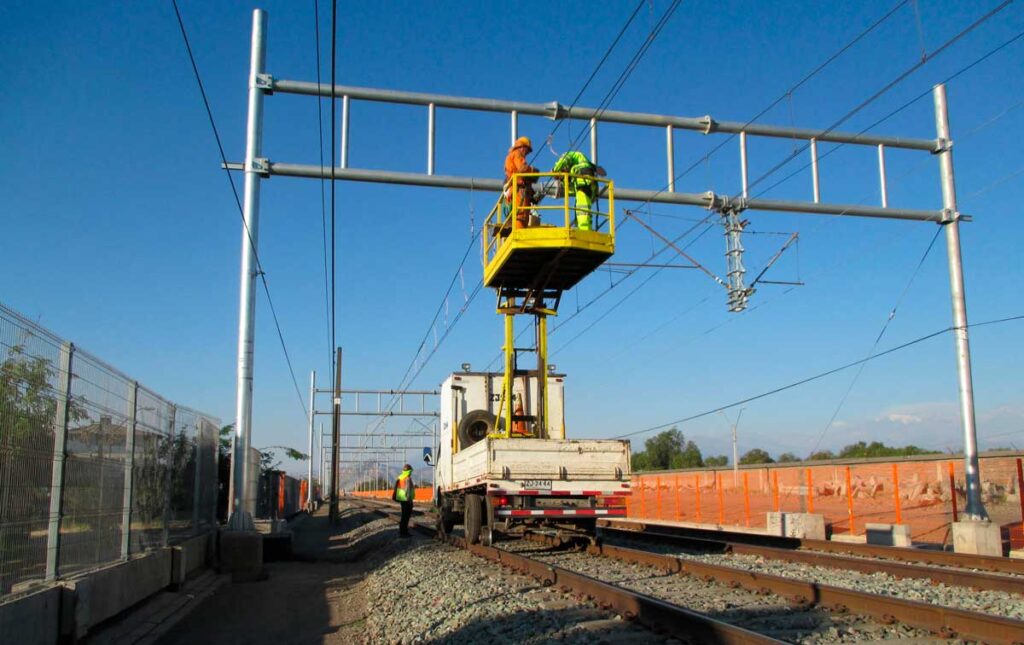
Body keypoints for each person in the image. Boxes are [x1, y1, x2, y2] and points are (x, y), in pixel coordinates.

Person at [551, 150, 605, 231]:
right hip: (590, 186)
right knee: (581, 207)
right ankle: (584, 227)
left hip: (583, 181)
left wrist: (555, 170)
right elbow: (603, 172)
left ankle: (584, 229)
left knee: (582, 207)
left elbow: (565, 159)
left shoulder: (571, 155)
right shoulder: (584, 162)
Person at [504, 136, 539, 229]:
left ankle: (519, 230)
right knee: (521, 215)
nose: (526, 154)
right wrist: (533, 170)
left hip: (517, 189)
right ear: (522, 147)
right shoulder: (517, 154)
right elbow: (522, 169)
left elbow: (519, 173)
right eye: (527, 151)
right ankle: (519, 232)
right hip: (518, 190)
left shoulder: (511, 156)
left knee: (522, 215)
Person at [392, 463, 415, 537]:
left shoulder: (400, 477)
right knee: (406, 517)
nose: (411, 472)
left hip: (402, 499)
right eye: (411, 471)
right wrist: (409, 500)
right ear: (409, 471)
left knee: (403, 517)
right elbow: (407, 490)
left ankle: (403, 532)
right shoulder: (407, 478)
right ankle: (404, 533)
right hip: (406, 500)